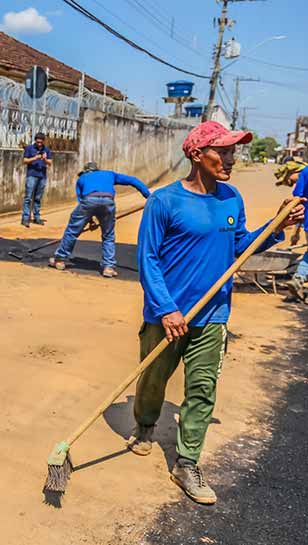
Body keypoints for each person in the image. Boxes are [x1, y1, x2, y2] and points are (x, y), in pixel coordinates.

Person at [128, 121, 305, 505]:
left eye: (232, 152)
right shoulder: (165, 201)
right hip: (168, 316)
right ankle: (144, 426)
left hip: (213, 314)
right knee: (153, 378)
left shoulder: (231, 199)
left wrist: (275, 229)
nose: (230, 159)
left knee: (203, 390)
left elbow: (240, 245)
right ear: (196, 155)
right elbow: (149, 260)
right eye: (222, 152)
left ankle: (186, 462)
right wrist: (167, 309)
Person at [49, 162, 150, 277]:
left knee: (72, 231)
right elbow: (133, 180)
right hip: (108, 201)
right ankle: (108, 267)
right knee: (108, 235)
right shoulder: (110, 174)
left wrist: (90, 220)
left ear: (86, 171)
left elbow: (82, 202)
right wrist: (148, 196)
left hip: (89, 200)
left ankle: (60, 260)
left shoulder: (82, 178)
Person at [21, 132, 53, 227]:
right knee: (28, 197)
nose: (39, 144)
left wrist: (45, 159)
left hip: (42, 176)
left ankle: (37, 217)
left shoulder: (46, 150)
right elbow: (25, 160)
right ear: (35, 141)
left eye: (41, 142)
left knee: (38, 198)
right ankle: (25, 218)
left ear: (43, 141)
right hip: (31, 175)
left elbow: (50, 162)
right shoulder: (29, 148)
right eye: (38, 142)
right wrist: (35, 158)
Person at [286, 165, 308, 301]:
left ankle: (299, 276)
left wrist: (296, 230)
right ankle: (299, 277)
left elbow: (297, 199)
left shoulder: (306, 171)